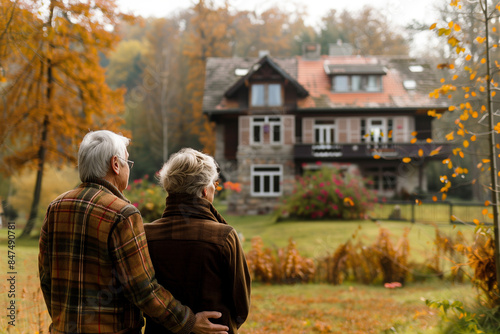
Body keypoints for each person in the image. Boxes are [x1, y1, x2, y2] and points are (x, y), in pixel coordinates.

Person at [38, 130, 229, 334]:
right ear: (115, 164)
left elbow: (46, 277)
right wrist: (188, 322)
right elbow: (143, 289)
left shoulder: (56, 207)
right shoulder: (122, 214)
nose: (128, 169)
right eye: (127, 162)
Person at [144, 148, 251, 334]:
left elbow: (141, 294)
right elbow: (241, 304)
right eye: (214, 186)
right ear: (204, 191)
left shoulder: (145, 234)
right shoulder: (224, 237)